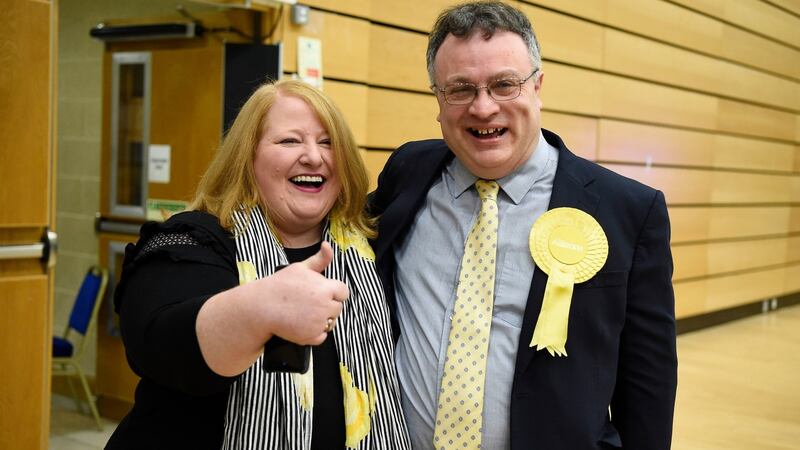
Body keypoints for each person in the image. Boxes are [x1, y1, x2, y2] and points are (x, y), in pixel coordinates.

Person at [369, 2, 678, 449]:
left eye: (504, 85)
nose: (482, 106)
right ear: (437, 98)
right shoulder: (407, 173)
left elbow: (648, 386)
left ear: (537, 86)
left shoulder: (626, 210)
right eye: (460, 89)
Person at [106, 80, 410, 450]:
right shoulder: (195, 240)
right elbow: (159, 345)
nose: (314, 157)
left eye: (328, 142)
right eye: (290, 141)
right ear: (246, 157)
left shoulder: (372, 246)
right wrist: (261, 309)